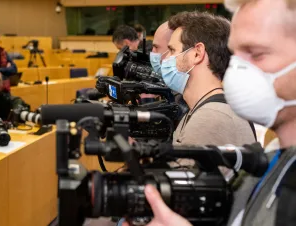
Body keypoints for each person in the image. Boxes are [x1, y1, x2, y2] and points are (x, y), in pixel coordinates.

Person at [124, 1, 296, 225]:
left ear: (198, 53)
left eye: (256, 53)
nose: (238, 68)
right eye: (236, 54)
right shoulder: (275, 157)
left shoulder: (214, 116)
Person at [153, 11, 255, 147]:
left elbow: (182, 168)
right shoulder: (202, 109)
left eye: (172, 50)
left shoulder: (211, 117)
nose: (164, 59)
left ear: (197, 53)